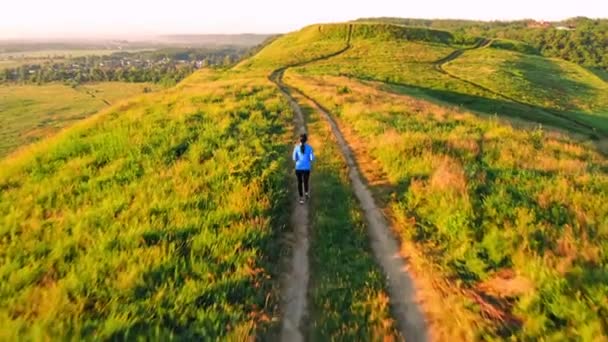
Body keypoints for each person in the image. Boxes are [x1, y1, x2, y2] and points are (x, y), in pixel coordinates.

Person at [292, 133, 315, 204]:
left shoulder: (296, 147)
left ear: (299, 140)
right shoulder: (310, 148)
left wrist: (298, 160)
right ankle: (306, 194)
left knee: (299, 183)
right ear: (306, 140)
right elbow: (312, 158)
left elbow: (294, 158)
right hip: (306, 168)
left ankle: (301, 198)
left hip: (298, 167)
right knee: (306, 181)